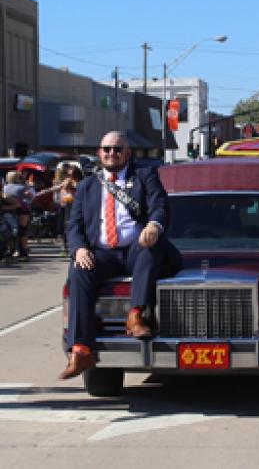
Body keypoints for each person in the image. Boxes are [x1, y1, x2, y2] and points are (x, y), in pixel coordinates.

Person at [59, 131, 169, 380]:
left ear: (127, 153)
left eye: (117, 149)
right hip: (103, 254)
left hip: (136, 250)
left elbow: (159, 206)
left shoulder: (145, 175)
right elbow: (73, 225)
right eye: (106, 149)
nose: (111, 153)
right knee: (78, 271)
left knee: (153, 244)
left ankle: (135, 316)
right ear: (99, 153)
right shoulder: (87, 185)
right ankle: (80, 349)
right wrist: (79, 248)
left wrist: (153, 225)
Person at [3, 171, 35, 260]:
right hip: (23, 210)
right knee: (22, 231)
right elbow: (31, 197)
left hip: (10, 210)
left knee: (12, 231)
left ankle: (12, 250)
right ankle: (23, 251)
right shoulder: (22, 188)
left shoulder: (5, 188)